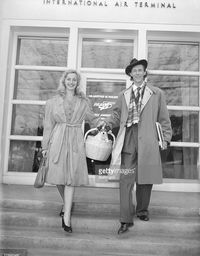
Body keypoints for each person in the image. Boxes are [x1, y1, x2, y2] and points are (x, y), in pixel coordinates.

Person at [98, 58, 172, 234]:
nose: (138, 73)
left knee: (145, 179)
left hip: (148, 139)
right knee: (126, 179)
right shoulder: (123, 94)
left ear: (144, 72)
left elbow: (163, 118)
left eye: (140, 70)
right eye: (134, 70)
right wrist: (108, 124)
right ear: (130, 74)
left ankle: (142, 210)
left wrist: (166, 138)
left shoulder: (157, 93)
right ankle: (125, 218)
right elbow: (116, 115)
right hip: (128, 139)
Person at [42, 69, 100, 233]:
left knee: (70, 178)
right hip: (58, 139)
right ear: (64, 81)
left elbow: (92, 118)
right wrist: (45, 146)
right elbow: (48, 125)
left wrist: (103, 125)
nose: (71, 82)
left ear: (77, 82)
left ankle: (66, 217)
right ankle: (66, 203)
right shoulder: (52, 102)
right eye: (69, 79)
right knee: (58, 177)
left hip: (75, 139)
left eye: (74, 79)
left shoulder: (83, 101)